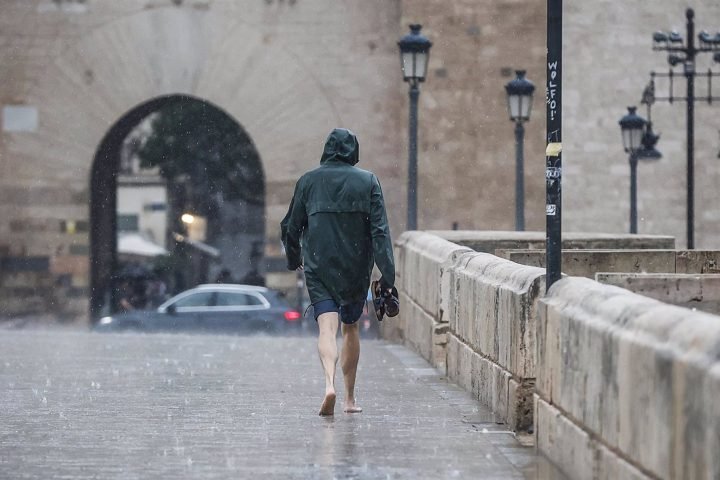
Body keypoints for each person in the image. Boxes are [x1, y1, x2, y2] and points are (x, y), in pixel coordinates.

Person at [281, 128, 395, 416]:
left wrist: (294, 257)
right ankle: (349, 399)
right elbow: (380, 232)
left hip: (319, 264)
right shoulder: (368, 181)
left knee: (326, 328)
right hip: (356, 266)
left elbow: (290, 227)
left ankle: (328, 384)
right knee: (351, 327)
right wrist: (388, 275)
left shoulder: (308, 181)